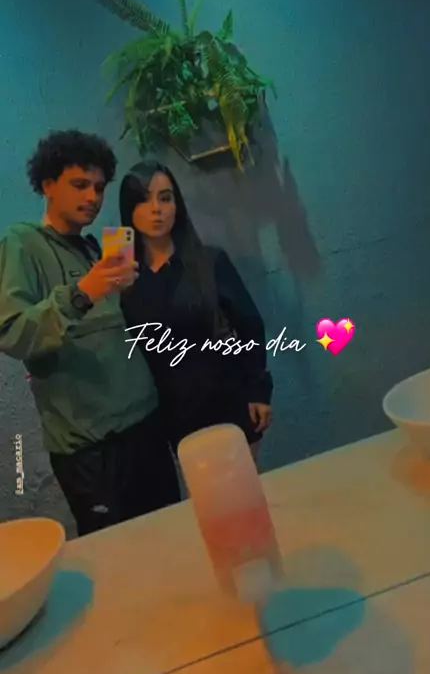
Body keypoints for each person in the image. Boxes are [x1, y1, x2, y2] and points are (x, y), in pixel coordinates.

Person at [0, 131, 180, 537]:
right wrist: (81, 294)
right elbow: (11, 333)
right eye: (80, 184)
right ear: (47, 185)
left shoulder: (93, 249)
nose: (93, 197)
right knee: (120, 557)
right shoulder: (22, 243)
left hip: (146, 428)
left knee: (174, 540)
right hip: (92, 451)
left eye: (99, 187)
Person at [119, 161, 273, 463]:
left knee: (242, 488)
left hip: (229, 402)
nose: (156, 209)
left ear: (177, 205)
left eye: (165, 198)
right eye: (144, 199)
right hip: (176, 416)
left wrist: (258, 391)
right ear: (129, 209)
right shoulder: (126, 281)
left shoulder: (209, 262)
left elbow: (250, 325)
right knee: (203, 490)